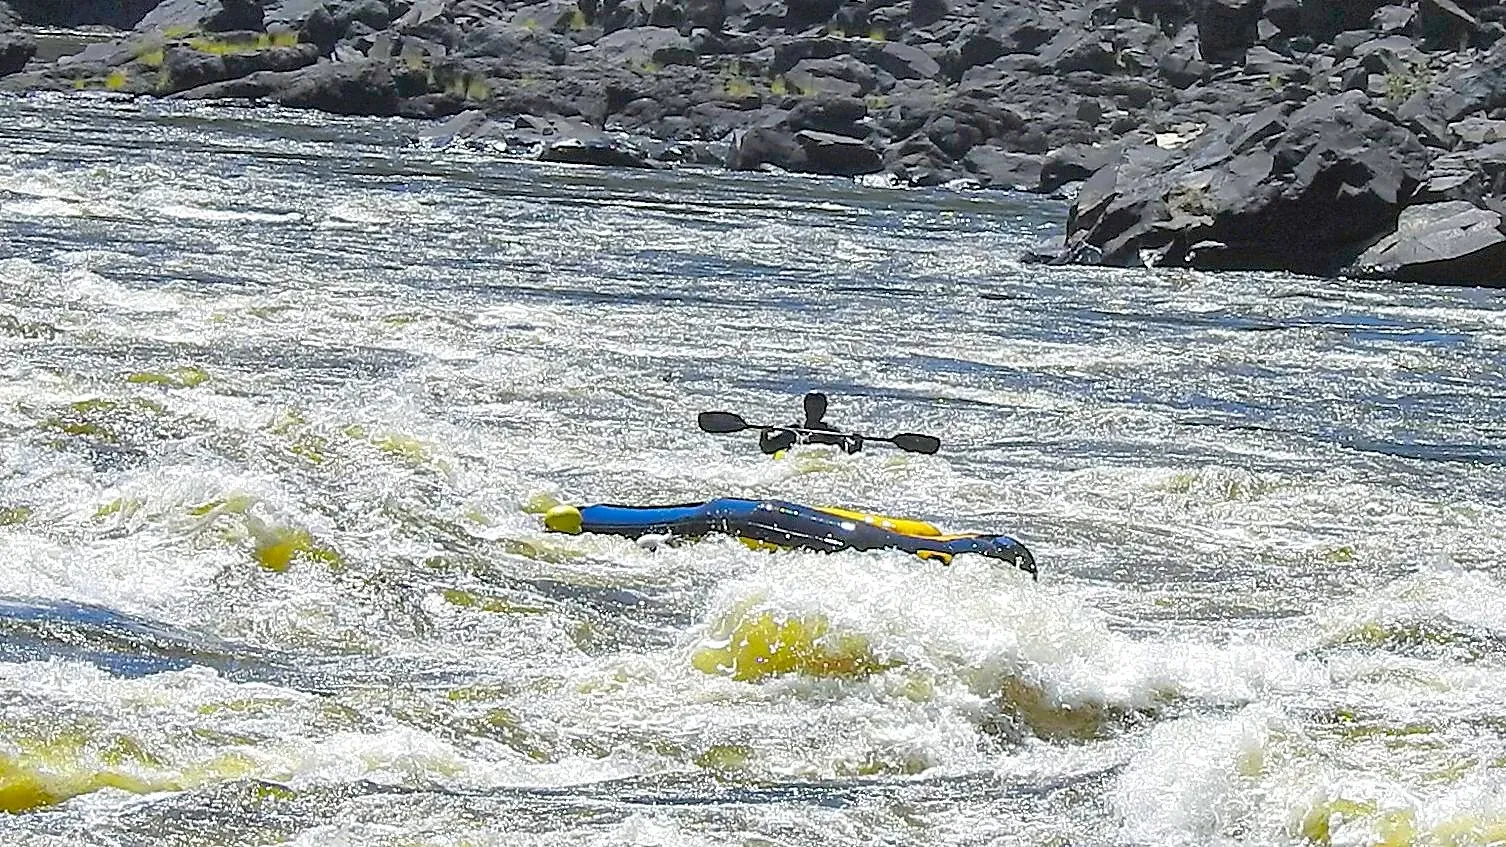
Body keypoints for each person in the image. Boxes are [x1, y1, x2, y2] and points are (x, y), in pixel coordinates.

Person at [758, 392, 864, 454]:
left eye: (818, 407)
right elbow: (768, 448)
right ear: (805, 407)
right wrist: (764, 433)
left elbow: (851, 453)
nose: (815, 410)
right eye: (812, 406)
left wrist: (858, 442)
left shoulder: (832, 433)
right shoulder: (794, 431)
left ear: (824, 409)